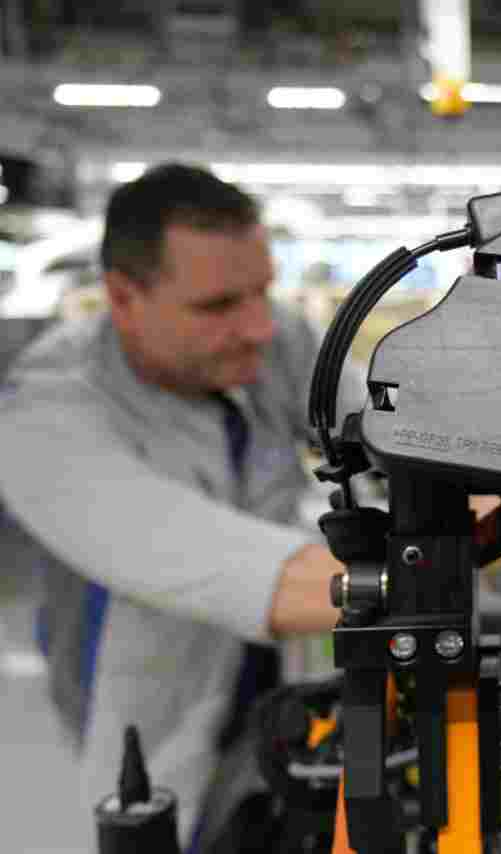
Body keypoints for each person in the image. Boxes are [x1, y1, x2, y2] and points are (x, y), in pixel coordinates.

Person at [0, 163, 367, 849]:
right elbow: (256, 577)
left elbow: (394, 432)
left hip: (282, 681)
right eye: (219, 306)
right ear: (122, 297)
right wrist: (441, 566)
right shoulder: (45, 420)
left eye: (262, 292)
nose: (259, 326)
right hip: (153, 706)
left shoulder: (270, 339)